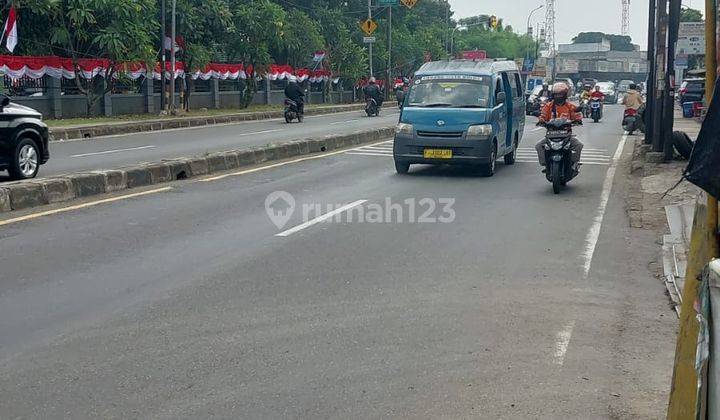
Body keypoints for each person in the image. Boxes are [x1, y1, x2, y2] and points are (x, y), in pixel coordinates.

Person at [535, 82, 584, 170]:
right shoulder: (548, 106)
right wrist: (541, 121)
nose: (558, 96)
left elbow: (576, 114)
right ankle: (546, 164)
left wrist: (578, 120)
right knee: (539, 146)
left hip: (566, 135)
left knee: (578, 145)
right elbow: (543, 115)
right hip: (551, 135)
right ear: (553, 95)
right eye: (556, 94)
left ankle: (573, 164)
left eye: (560, 94)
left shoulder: (570, 106)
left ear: (565, 95)